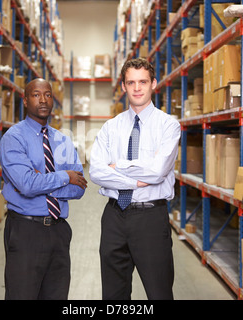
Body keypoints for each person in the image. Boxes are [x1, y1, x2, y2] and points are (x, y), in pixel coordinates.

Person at [89, 58, 181, 300]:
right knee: (113, 294)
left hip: (150, 217)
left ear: (153, 84)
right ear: (123, 86)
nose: (137, 88)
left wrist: (117, 166)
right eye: (131, 82)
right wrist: (135, 180)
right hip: (114, 217)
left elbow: (157, 170)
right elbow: (97, 171)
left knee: (158, 292)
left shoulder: (168, 126)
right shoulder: (110, 127)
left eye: (142, 81)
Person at [0, 78, 87, 300]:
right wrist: (64, 177)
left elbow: (79, 189)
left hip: (59, 231)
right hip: (26, 230)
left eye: (47, 94)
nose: (43, 99)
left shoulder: (63, 141)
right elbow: (26, 185)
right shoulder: (14, 138)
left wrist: (41, 182)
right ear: (25, 100)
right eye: (36, 94)